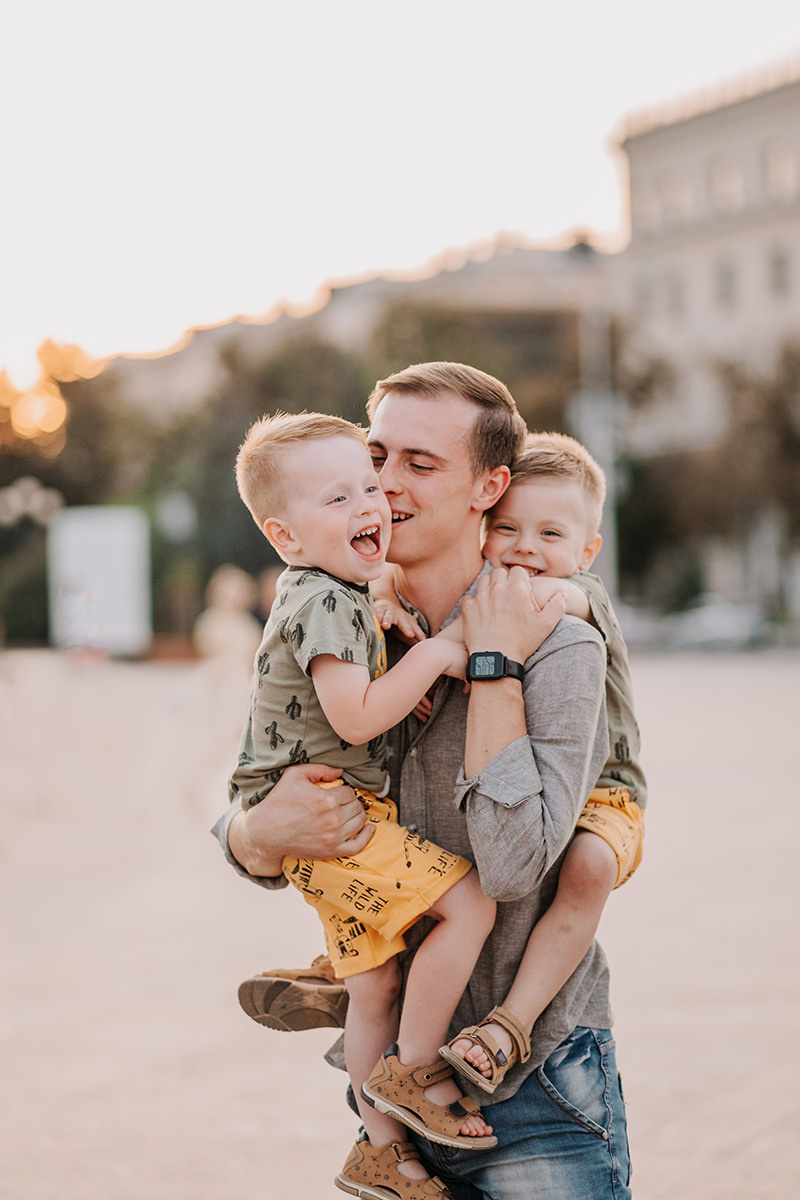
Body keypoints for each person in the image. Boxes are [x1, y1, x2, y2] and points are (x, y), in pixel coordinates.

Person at [213, 363, 631, 1200]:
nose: (385, 485)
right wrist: (254, 835)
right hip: (388, 1103)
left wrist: (491, 665)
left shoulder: (561, 643)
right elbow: (254, 795)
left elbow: (512, 869)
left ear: (490, 487)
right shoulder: (344, 624)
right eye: (376, 457)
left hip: (532, 1093)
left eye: (420, 464)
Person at [373, 431, 646, 1093]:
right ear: (482, 526)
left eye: (550, 534)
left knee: (587, 870)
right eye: (508, 529)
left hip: (609, 793)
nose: (526, 548)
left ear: (587, 551)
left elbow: (518, 615)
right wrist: (387, 593)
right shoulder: (477, 594)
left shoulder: (573, 595)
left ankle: (513, 1022)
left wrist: (450, 649)